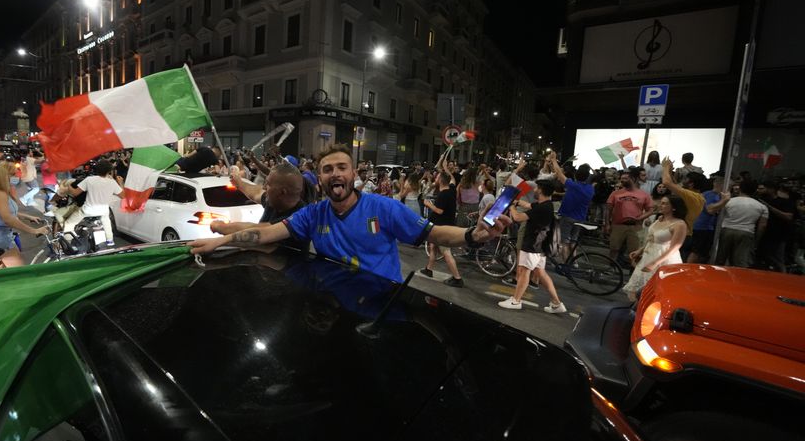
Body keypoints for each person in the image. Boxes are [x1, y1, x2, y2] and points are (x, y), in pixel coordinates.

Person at [190, 144, 510, 282]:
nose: (334, 173)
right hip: (331, 305)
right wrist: (218, 241)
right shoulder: (313, 214)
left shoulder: (383, 208)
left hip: (378, 308)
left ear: (352, 172)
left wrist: (471, 235)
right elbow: (266, 232)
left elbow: (434, 233)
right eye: (327, 169)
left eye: (341, 167)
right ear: (321, 178)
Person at [498, 180, 567, 314]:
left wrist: (511, 206)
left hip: (532, 245)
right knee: (541, 274)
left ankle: (515, 301)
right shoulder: (546, 205)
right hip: (540, 246)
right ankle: (556, 303)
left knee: (524, 271)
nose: (534, 190)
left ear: (540, 190)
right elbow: (528, 205)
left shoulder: (541, 208)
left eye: (536, 188)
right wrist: (517, 202)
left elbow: (517, 218)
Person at [212, 163, 307, 248]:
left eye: (268, 184)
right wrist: (239, 183)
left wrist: (220, 226)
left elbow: (259, 230)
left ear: (282, 193)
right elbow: (256, 192)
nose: (264, 187)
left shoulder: (299, 217)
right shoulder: (275, 200)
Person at [0, 160, 49, 267]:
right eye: (13, 174)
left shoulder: (0, 191)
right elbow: (7, 218)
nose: (17, 176)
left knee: (6, 272)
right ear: (3, 176)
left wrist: (27, 216)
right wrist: (34, 230)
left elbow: (6, 211)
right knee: (15, 273)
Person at [623, 195, 688, 302]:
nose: (660, 205)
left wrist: (654, 263)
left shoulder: (679, 224)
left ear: (674, 207)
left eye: (664, 203)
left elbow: (674, 248)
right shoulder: (659, 219)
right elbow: (651, 239)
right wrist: (640, 250)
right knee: (637, 289)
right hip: (649, 255)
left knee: (655, 291)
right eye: (661, 202)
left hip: (664, 259)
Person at [419, 171, 464, 287]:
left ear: (441, 180)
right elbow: (453, 180)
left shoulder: (444, 194)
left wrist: (429, 205)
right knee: (433, 247)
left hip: (442, 228)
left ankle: (457, 278)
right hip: (442, 226)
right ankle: (428, 269)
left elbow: (439, 211)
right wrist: (444, 167)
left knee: (446, 252)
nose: (436, 179)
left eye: (437, 177)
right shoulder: (451, 190)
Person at [65, 160, 124, 247]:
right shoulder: (112, 182)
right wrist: (121, 183)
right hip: (103, 211)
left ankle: (68, 243)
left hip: (87, 210)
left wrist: (69, 186)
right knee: (106, 220)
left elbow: (75, 193)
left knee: (68, 224)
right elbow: (123, 196)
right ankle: (110, 240)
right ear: (109, 171)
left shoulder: (89, 180)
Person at [547, 153, 594, 262]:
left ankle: (566, 264)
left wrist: (554, 160)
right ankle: (575, 262)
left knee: (564, 241)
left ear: (576, 175)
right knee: (573, 240)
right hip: (581, 218)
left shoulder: (573, 185)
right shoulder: (590, 189)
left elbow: (558, 173)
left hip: (568, 216)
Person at [715, 179, 768, 268]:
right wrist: (756, 240)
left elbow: (720, 216)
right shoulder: (762, 207)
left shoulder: (728, 201)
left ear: (740, 188)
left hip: (727, 230)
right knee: (741, 261)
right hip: (747, 232)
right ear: (755, 190)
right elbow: (762, 225)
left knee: (721, 259)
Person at [605, 169, 654, 265]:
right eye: (622, 178)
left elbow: (651, 210)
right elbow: (608, 209)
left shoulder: (643, 194)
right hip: (618, 225)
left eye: (626, 178)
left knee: (634, 251)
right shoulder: (615, 193)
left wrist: (640, 218)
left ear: (633, 179)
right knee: (614, 248)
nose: (623, 180)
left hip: (635, 226)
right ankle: (610, 268)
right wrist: (607, 223)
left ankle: (633, 272)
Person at [755, 181, 794, 272]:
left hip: (779, 235)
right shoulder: (761, 200)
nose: (761, 190)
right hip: (765, 234)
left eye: (764, 188)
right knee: (763, 258)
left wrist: (769, 207)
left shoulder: (785, 202)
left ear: (772, 189)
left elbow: (788, 216)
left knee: (778, 259)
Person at [687, 175, 726, 264]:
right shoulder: (712, 195)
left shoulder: (707, 194)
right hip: (703, 227)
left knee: (701, 253)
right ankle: (687, 269)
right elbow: (709, 209)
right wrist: (724, 201)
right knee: (696, 252)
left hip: (703, 226)